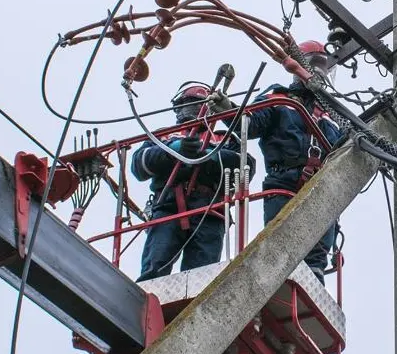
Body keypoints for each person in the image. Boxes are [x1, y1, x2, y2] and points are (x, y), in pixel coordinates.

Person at [246, 41, 346, 279]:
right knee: (279, 250)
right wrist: (230, 111)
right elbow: (250, 124)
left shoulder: (333, 114)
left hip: (321, 190)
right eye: (315, 64)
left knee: (315, 260)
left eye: (324, 66)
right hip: (284, 182)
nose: (319, 71)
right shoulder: (279, 98)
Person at [130, 83, 249, 281]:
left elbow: (245, 166)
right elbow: (139, 166)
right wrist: (173, 150)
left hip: (210, 208)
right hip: (168, 205)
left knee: (201, 276)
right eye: (189, 103)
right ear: (178, 107)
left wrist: (209, 156)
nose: (194, 109)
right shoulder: (163, 135)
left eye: (199, 103)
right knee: (154, 270)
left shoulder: (224, 138)